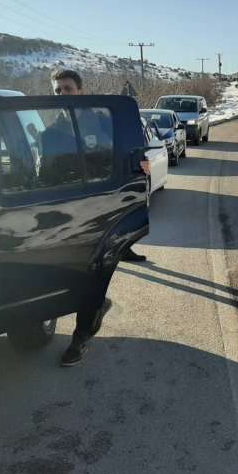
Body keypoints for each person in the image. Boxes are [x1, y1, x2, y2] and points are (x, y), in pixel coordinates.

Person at [49, 68, 147, 367]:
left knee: (93, 275)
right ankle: (92, 309)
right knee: (63, 275)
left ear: (80, 91)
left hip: (103, 208)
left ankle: (81, 337)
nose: (62, 94)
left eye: (67, 88)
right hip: (65, 213)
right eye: (58, 91)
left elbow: (129, 152)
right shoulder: (50, 133)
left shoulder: (104, 122)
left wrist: (140, 165)